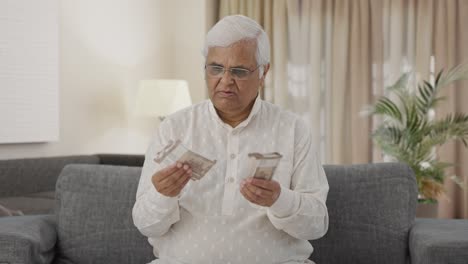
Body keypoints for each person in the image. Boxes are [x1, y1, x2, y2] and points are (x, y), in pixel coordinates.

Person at [132, 14, 329, 264]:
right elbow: (146, 225)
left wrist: (280, 200)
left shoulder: (294, 130)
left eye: (239, 71)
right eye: (216, 68)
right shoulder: (173, 127)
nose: (225, 81)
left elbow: (317, 225)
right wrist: (162, 195)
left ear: (263, 72)